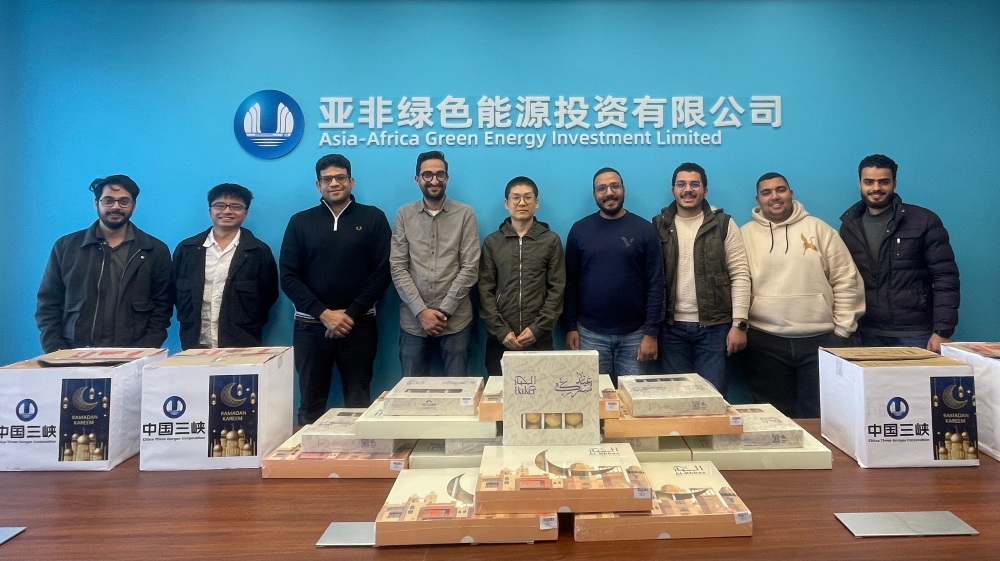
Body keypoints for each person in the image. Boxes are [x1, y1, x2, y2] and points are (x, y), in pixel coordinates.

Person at [739, 172, 865, 417]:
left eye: (780, 190)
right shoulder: (744, 235)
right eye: (766, 192)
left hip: (821, 341)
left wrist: (842, 331)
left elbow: (846, 280)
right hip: (764, 341)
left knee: (820, 416)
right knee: (772, 418)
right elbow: (738, 284)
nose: (775, 197)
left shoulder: (820, 229)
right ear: (758, 199)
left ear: (791, 193)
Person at [280, 154, 391, 421]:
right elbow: (288, 276)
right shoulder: (300, 222)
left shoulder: (373, 218)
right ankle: (307, 450)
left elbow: (383, 271)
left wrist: (350, 314)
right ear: (318, 185)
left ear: (351, 182)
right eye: (327, 179)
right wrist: (324, 314)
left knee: (358, 402)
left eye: (340, 177)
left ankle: (357, 451)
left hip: (358, 325)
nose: (334, 183)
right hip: (310, 327)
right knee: (310, 404)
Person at [36, 175, 173, 352]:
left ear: (133, 206)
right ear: (96, 203)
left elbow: (163, 307)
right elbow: (48, 302)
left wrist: (145, 349)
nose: (116, 206)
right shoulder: (67, 247)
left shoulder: (154, 250)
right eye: (108, 200)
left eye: (124, 201)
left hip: (133, 352)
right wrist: (56, 349)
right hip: (73, 351)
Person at [840, 154, 960, 353]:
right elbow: (843, 281)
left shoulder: (924, 221)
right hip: (866, 332)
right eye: (869, 182)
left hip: (917, 333)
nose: (876, 188)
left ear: (894, 183)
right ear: (860, 184)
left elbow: (945, 278)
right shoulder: (849, 227)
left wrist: (943, 331)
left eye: (883, 181)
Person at [652, 162, 750, 395]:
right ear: (673, 190)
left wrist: (739, 324)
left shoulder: (723, 224)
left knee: (713, 397)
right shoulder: (658, 225)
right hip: (671, 328)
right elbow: (650, 278)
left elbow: (740, 274)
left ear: (705, 190)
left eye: (695, 184)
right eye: (681, 184)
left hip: (714, 328)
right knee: (677, 398)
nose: (688, 189)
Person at [563, 167, 663, 382]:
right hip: (589, 334)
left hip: (636, 335)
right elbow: (569, 283)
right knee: (592, 398)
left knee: (634, 399)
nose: (609, 192)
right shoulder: (579, 230)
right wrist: (570, 327)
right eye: (602, 188)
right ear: (594, 194)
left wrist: (651, 333)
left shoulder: (644, 230)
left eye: (614, 186)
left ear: (623, 189)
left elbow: (656, 283)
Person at [390, 150, 480, 376]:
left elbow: (470, 267)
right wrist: (421, 312)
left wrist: (444, 311)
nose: (434, 180)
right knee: (410, 390)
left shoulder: (465, 214)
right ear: (417, 179)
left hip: (456, 322)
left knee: (458, 391)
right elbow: (398, 267)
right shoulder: (404, 215)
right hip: (413, 322)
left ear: (447, 178)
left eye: (440, 174)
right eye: (427, 175)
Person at [172, 183, 278, 350]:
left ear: (246, 214)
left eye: (236, 206)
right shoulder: (187, 249)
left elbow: (268, 295)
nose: (227, 211)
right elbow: (174, 292)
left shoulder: (258, 252)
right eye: (219, 205)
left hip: (242, 343)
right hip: (194, 343)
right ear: (210, 211)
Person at [478, 176, 565, 377]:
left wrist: (537, 329)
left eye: (528, 197)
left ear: (536, 203)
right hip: (500, 340)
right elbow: (485, 290)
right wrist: (501, 331)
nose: (522, 202)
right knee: (499, 395)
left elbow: (557, 289)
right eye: (516, 197)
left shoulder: (551, 241)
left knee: (541, 393)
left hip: (539, 339)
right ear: (506, 203)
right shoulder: (493, 242)